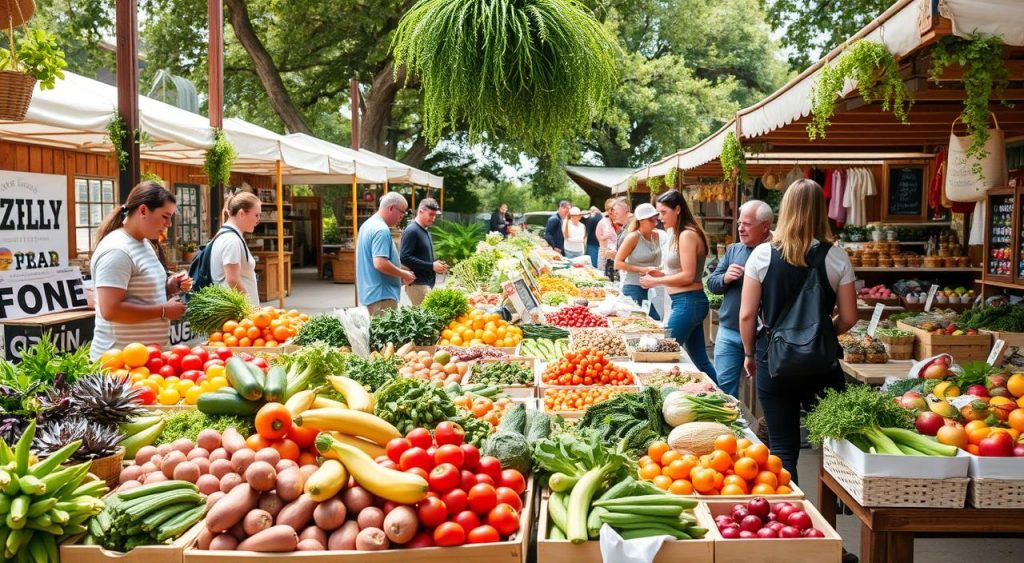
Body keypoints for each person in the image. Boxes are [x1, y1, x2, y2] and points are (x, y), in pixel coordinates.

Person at [739, 180, 857, 483]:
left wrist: (750, 354)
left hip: (773, 359)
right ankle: (835, 503)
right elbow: (849, 317)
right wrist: (821, 334)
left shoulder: (762, 255)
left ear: (785, 209)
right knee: (835, 443)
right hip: (821, 363)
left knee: (783, 447)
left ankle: (788, 514)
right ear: (821, 210)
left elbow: (747, 314)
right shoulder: (837, 257)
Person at [89, 182, 191, 361]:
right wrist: (163, 311)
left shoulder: (144, 243)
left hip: (143, 359)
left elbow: (139, 293)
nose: (168, 224)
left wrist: (169, 286)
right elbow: (110, 310)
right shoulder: (117, 250)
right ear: (143, 210)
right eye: (165, 216)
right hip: (119, 363)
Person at [640, 190, 717, 382]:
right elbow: (682, 272)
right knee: (700, 360)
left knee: (662, 354)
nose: (659, 218)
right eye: (658, 213)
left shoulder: (686, 235)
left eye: (663, 212)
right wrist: (662, 274)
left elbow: (689, 276)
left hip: (688, 303)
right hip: (687, 302)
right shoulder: (681, 233)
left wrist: (656, 281)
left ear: (677, 209)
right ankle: (726, 398)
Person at [706, 200, 773, 398]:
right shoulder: (734, 250)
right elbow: (712, 283)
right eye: (739, 224)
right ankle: (728, 427)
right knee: (724, 390)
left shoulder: (776, 252)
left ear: (765, 226)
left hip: (763, 336)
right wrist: (725, 278)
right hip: (729, 331)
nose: (741, 228)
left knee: (765, 394)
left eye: (747, 224)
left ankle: (761, 427)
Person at [357, 192, 415, 316]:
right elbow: (380, 263)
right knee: (384, 334)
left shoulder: (366, 226)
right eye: (402, 212)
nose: (402, 216)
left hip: (371, 294)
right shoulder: (381, 230)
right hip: (382, 296)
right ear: (391, 208)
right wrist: (403, 273)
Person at [210, 190, 261, 305]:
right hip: (238, 312)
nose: (258, 220)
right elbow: (233, 280)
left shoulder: (228, 235)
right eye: (256, 215)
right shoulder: (231, 240)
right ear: (242, 214)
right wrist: (251, 308)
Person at [614, 203, 662, 321]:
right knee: (651, 321)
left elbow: (656, 262)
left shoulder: (655, 236)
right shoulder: (633, 237)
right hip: (633, 287)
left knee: (652, 322)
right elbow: (618, 263)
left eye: (656, 219)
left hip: (650, 288)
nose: (655, 223)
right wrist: (642, 270)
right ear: (641, 220)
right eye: (651, 220)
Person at [401, 198, 447, 305]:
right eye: (431, 214)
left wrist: (437, 265)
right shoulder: (412, 230)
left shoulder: (425, 231)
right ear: (421, 211)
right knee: (428, 319)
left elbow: (422, 256)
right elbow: (404, 258)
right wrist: (431, 266)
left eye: (435, 215)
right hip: (417, 284)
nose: (433, 218)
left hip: (426, 283)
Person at [597, 198, 626, 279]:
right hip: (606, 255)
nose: (610, 211)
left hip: (619, 255)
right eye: (607, 209)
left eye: (612, 208)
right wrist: (604, 238)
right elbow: (599, 238)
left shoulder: (622, 221)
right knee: (604, 277)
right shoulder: (603, 222)